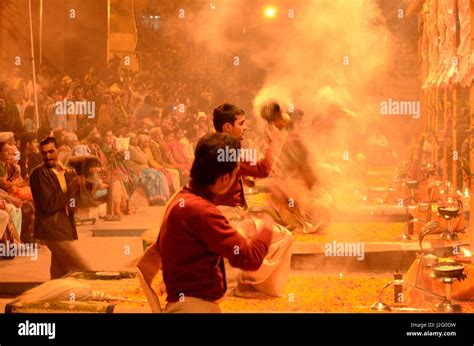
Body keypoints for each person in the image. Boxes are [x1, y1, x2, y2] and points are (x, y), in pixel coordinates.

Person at [157, 133, 273, 313]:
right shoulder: (202, 211)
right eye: (236, 175)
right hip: (194, 307)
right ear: (225, 178)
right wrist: (267, 225)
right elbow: (249, 258)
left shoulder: (182, 199)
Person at [30, 137, 92, 279]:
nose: (48, 156)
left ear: (58, 150)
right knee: (85, 270)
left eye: (51, 151)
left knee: (59, 275)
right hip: (52, 229)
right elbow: (48, 205)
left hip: (64, 227)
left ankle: (52, 298)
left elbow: (71, 203)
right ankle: (101, 293)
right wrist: (71, 187)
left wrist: (81, 187)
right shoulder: (39, 174)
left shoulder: (64, 172)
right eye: (44, 153)